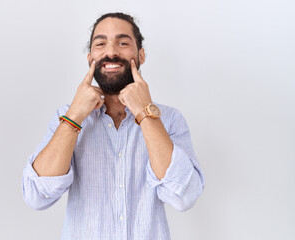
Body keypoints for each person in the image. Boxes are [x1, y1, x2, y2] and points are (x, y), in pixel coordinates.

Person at [22, 12, 205, 240]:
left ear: (141, 55)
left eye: (123, 42)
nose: (111, 52)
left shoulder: (169, 119)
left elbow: (184, 196)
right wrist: (75, 115)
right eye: (101, 43)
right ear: (90, 58)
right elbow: (37, 196)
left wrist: (145, 113)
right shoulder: (66, 117)